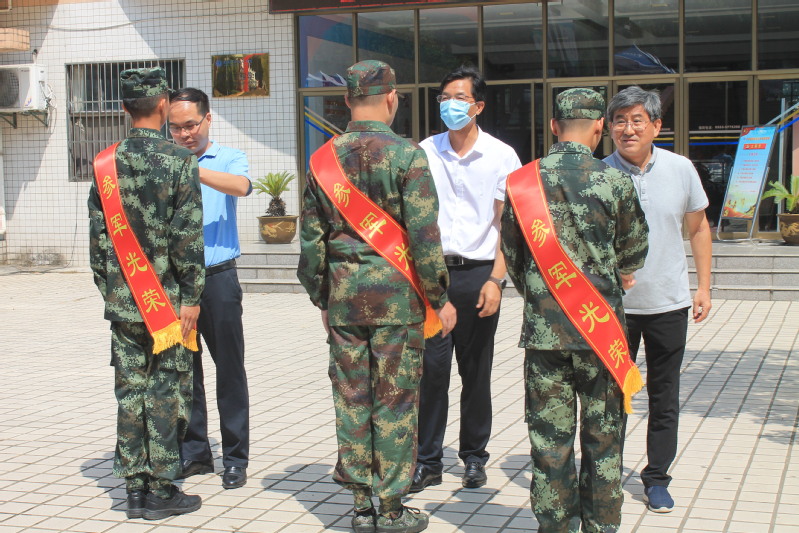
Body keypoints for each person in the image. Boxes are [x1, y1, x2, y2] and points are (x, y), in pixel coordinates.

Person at [297, 60, 456, 533]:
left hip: (345, 301)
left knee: (352, 400)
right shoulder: (408, 156)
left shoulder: (322, 159)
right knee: (395, 402)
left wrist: (323, 298)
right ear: (391, 98)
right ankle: (390, 508)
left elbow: (312, 242)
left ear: (347, 100)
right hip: (398, 304)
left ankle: (360, 506)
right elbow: (425, 238)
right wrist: (439, 297)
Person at [500, 88, 649, 533]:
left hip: (545, 335)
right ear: (600, 128)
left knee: (550, 443)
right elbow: (634, 251)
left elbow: (513, 256)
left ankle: (556, 527)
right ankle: (602, 527)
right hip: (601, 333)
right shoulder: (615, 181)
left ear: (553, 127)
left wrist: (541, 297)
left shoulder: (522, 181)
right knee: (604, 441)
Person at [87, 67, 205, 520]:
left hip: (124, 302)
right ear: (163, 105)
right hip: (168, 306)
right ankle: (161, 489)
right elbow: (186, 238)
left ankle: (133, 488)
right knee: (166, 391)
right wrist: (192, 296)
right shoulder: (179, 160)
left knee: (129, 390)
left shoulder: (105, 163)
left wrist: (114, 290)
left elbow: (98, 242)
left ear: (122, 107)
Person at [412, 65, 521, 493]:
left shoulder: (501, 156)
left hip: (478, 275)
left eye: (460, 98)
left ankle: (474, 457)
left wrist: (496, 280)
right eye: (444, 98)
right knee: (431, 372)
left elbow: (509, 227)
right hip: (432, 276)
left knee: (475, 371)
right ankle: (428, 461)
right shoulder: (425, 151)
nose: (450, 105)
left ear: (479, 106)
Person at [604, 85, 712, 513]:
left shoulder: (681, 168)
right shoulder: (599, 174)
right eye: (619, 121)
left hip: (669, 303)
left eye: (637, 121)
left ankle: (657, 478)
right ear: (609, 127)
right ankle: (606, 475)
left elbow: (698, 228)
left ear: (656, 126)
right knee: (611, 397)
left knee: (664, 396)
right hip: (613, 309)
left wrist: (703, 287)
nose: (627, 129)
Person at [168, 88, 253, 490]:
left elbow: (241, 186)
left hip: (218, 279)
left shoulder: (228, 157)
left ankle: (235, 458)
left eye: (190, 125)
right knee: (185, 370)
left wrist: (192, 168)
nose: (184, 134)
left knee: (229, 370)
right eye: (175, 128)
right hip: (176, 283)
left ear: (207, 119)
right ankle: (195, 452)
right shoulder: (164, 162)